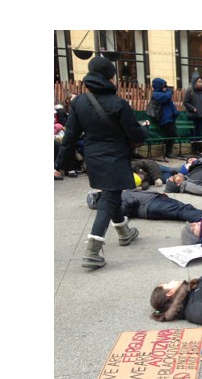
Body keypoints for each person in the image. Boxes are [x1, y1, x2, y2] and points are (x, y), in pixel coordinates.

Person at [55, 56, 146, 269]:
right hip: (115, 157)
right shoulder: (119, 104)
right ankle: (92, 252)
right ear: (110, 77)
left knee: (109, 193)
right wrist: (144, 129)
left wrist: (59, 164)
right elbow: (136, 135)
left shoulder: (79, 103)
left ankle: (124, 233)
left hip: (93, 157)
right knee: (108, 199)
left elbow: (70, 136)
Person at [86, 189, 202, 222]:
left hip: (154, 199)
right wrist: (133, 201)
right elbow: (121, 211)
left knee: (186, 209)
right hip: (149, 206)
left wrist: (156, 194)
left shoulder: (112, 193)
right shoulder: (107, 202)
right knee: (182, 212)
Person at [150, 77, 179, 161]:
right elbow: (167, 96)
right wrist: (169, 91)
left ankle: (169, 152)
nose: (165, 87)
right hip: (164, 119)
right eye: (163, 86)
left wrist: (175, 113)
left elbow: (171, 105)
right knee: (168, 135)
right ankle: (168, 153)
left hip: (170, 118)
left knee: (172, 135)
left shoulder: (165, 94)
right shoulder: (156, 94)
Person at [183, 75, 202, 156]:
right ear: (195, 82)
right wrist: (192, 108)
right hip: (192, 116)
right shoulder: (190, 90)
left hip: (200, 116)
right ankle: (194, 150)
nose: (200, 83)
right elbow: (185, 102)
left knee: (199, 133)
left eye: (201, 82)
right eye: (199, 82)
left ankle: (199, 149)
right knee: (193, 133)